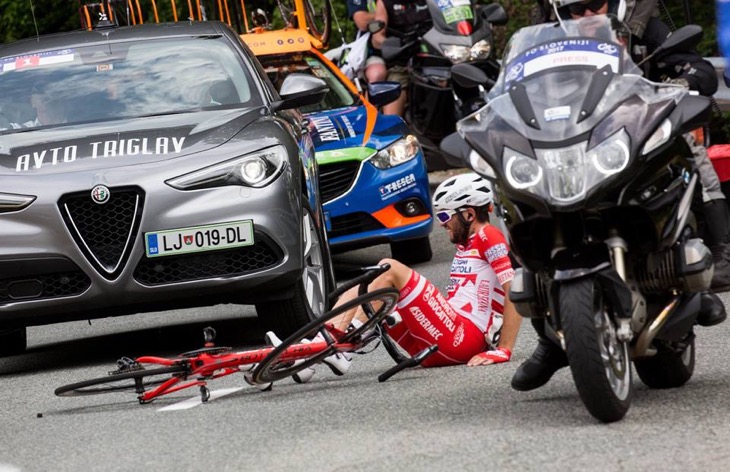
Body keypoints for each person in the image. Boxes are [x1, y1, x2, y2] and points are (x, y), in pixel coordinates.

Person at [511, 0, 728, 393]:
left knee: (694, 158)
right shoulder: (546, 34)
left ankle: (713, 266)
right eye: (575, 9)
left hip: (631, 135)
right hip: (567, 143)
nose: (584, 16)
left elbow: (693, 66)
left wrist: (684, 79)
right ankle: (549, 338)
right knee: (523, 200)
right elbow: (513, 82)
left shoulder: (644, 27)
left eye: (593, 5)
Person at [267, 172, 523, 382]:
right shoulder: (466, 245)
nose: (442, 223)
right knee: (370, 285)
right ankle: (310, 353)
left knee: (390, 268)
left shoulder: (489, 236)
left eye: (445, 215)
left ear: (469, 214)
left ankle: (332, 345)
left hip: (465, 339)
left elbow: (515, 288)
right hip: (441, 342)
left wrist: (504, 349)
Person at [370, 0, 432, 116]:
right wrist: (393, 46)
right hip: (404, 59)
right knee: (396, 86)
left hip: (435, 56)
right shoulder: (385, 2)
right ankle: (392, 129)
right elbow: (377, 37)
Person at [346, 0, 387, 84]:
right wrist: (384, 14)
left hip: (408, 44)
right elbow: (361, 22)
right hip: (372, 51)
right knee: (376, 74)